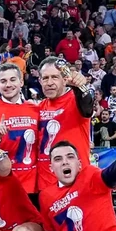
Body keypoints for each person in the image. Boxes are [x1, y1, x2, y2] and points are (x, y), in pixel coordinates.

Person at [0, 63, 40, 198]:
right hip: (2, 185)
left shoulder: (36, 109)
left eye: (13, 80)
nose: (8, 85)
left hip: (32, 185)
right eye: (3, 81)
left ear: (21, 82)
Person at [37, 56, 94, 191]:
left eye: (55, 77)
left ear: (65, 79)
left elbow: (87, 108)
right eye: (45, 78)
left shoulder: (76, 99)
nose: (49, 83)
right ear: (39, 81)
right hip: (46, 186)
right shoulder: (37, 108)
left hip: (76, 183)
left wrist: (80, 87)